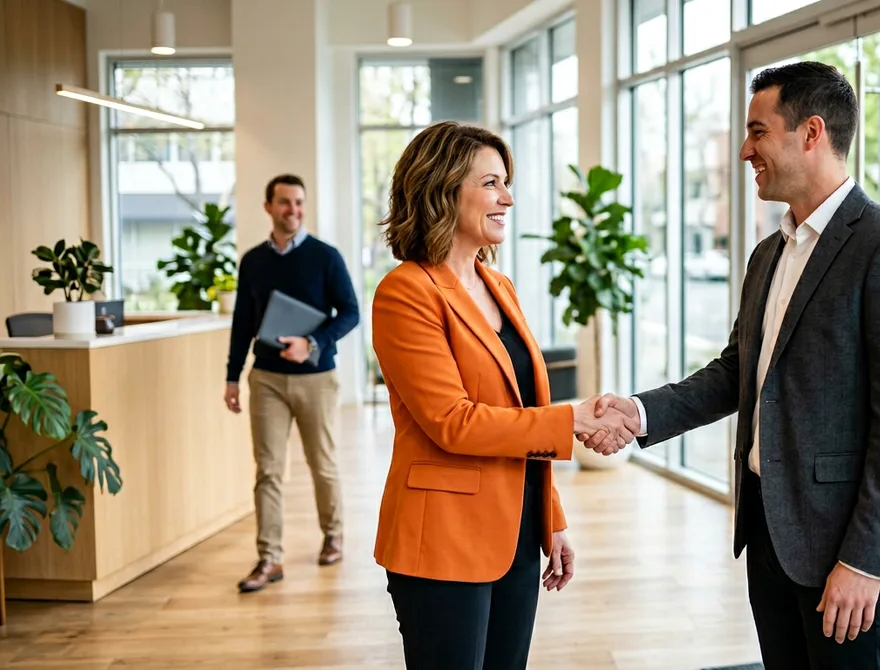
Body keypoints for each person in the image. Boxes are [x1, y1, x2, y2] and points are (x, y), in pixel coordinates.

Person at [582, 62, 880, 669]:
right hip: (771, 531)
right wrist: (639, 412)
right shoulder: (768, 253)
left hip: (844, 549)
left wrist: (863, 560)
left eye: (757, 131)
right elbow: (736, 372)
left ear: (811, 132)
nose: (745, 150)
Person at [369, 121, 633, 670]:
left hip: (516, 531)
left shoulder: (499, 284)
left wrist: (551, 518)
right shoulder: (406, 292)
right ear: (443, 190)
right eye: (491, 183)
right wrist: (574, 421)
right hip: (442, 540)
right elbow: (452, 421)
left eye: (505, 183)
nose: (507, 198)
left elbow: (521, 412)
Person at [224, 174, 360, 593]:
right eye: (284, 202)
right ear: (268, 207)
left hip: (316, 378)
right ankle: (270, 558)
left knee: (323, 463)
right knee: (268, 470)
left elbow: (351, 312)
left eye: (299, 202)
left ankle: (333, 535)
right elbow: (242, 322)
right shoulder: (252, 261)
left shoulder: (326, 257)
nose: (293, 210)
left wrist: (312, 342)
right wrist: (232, 376)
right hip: (265, 378)